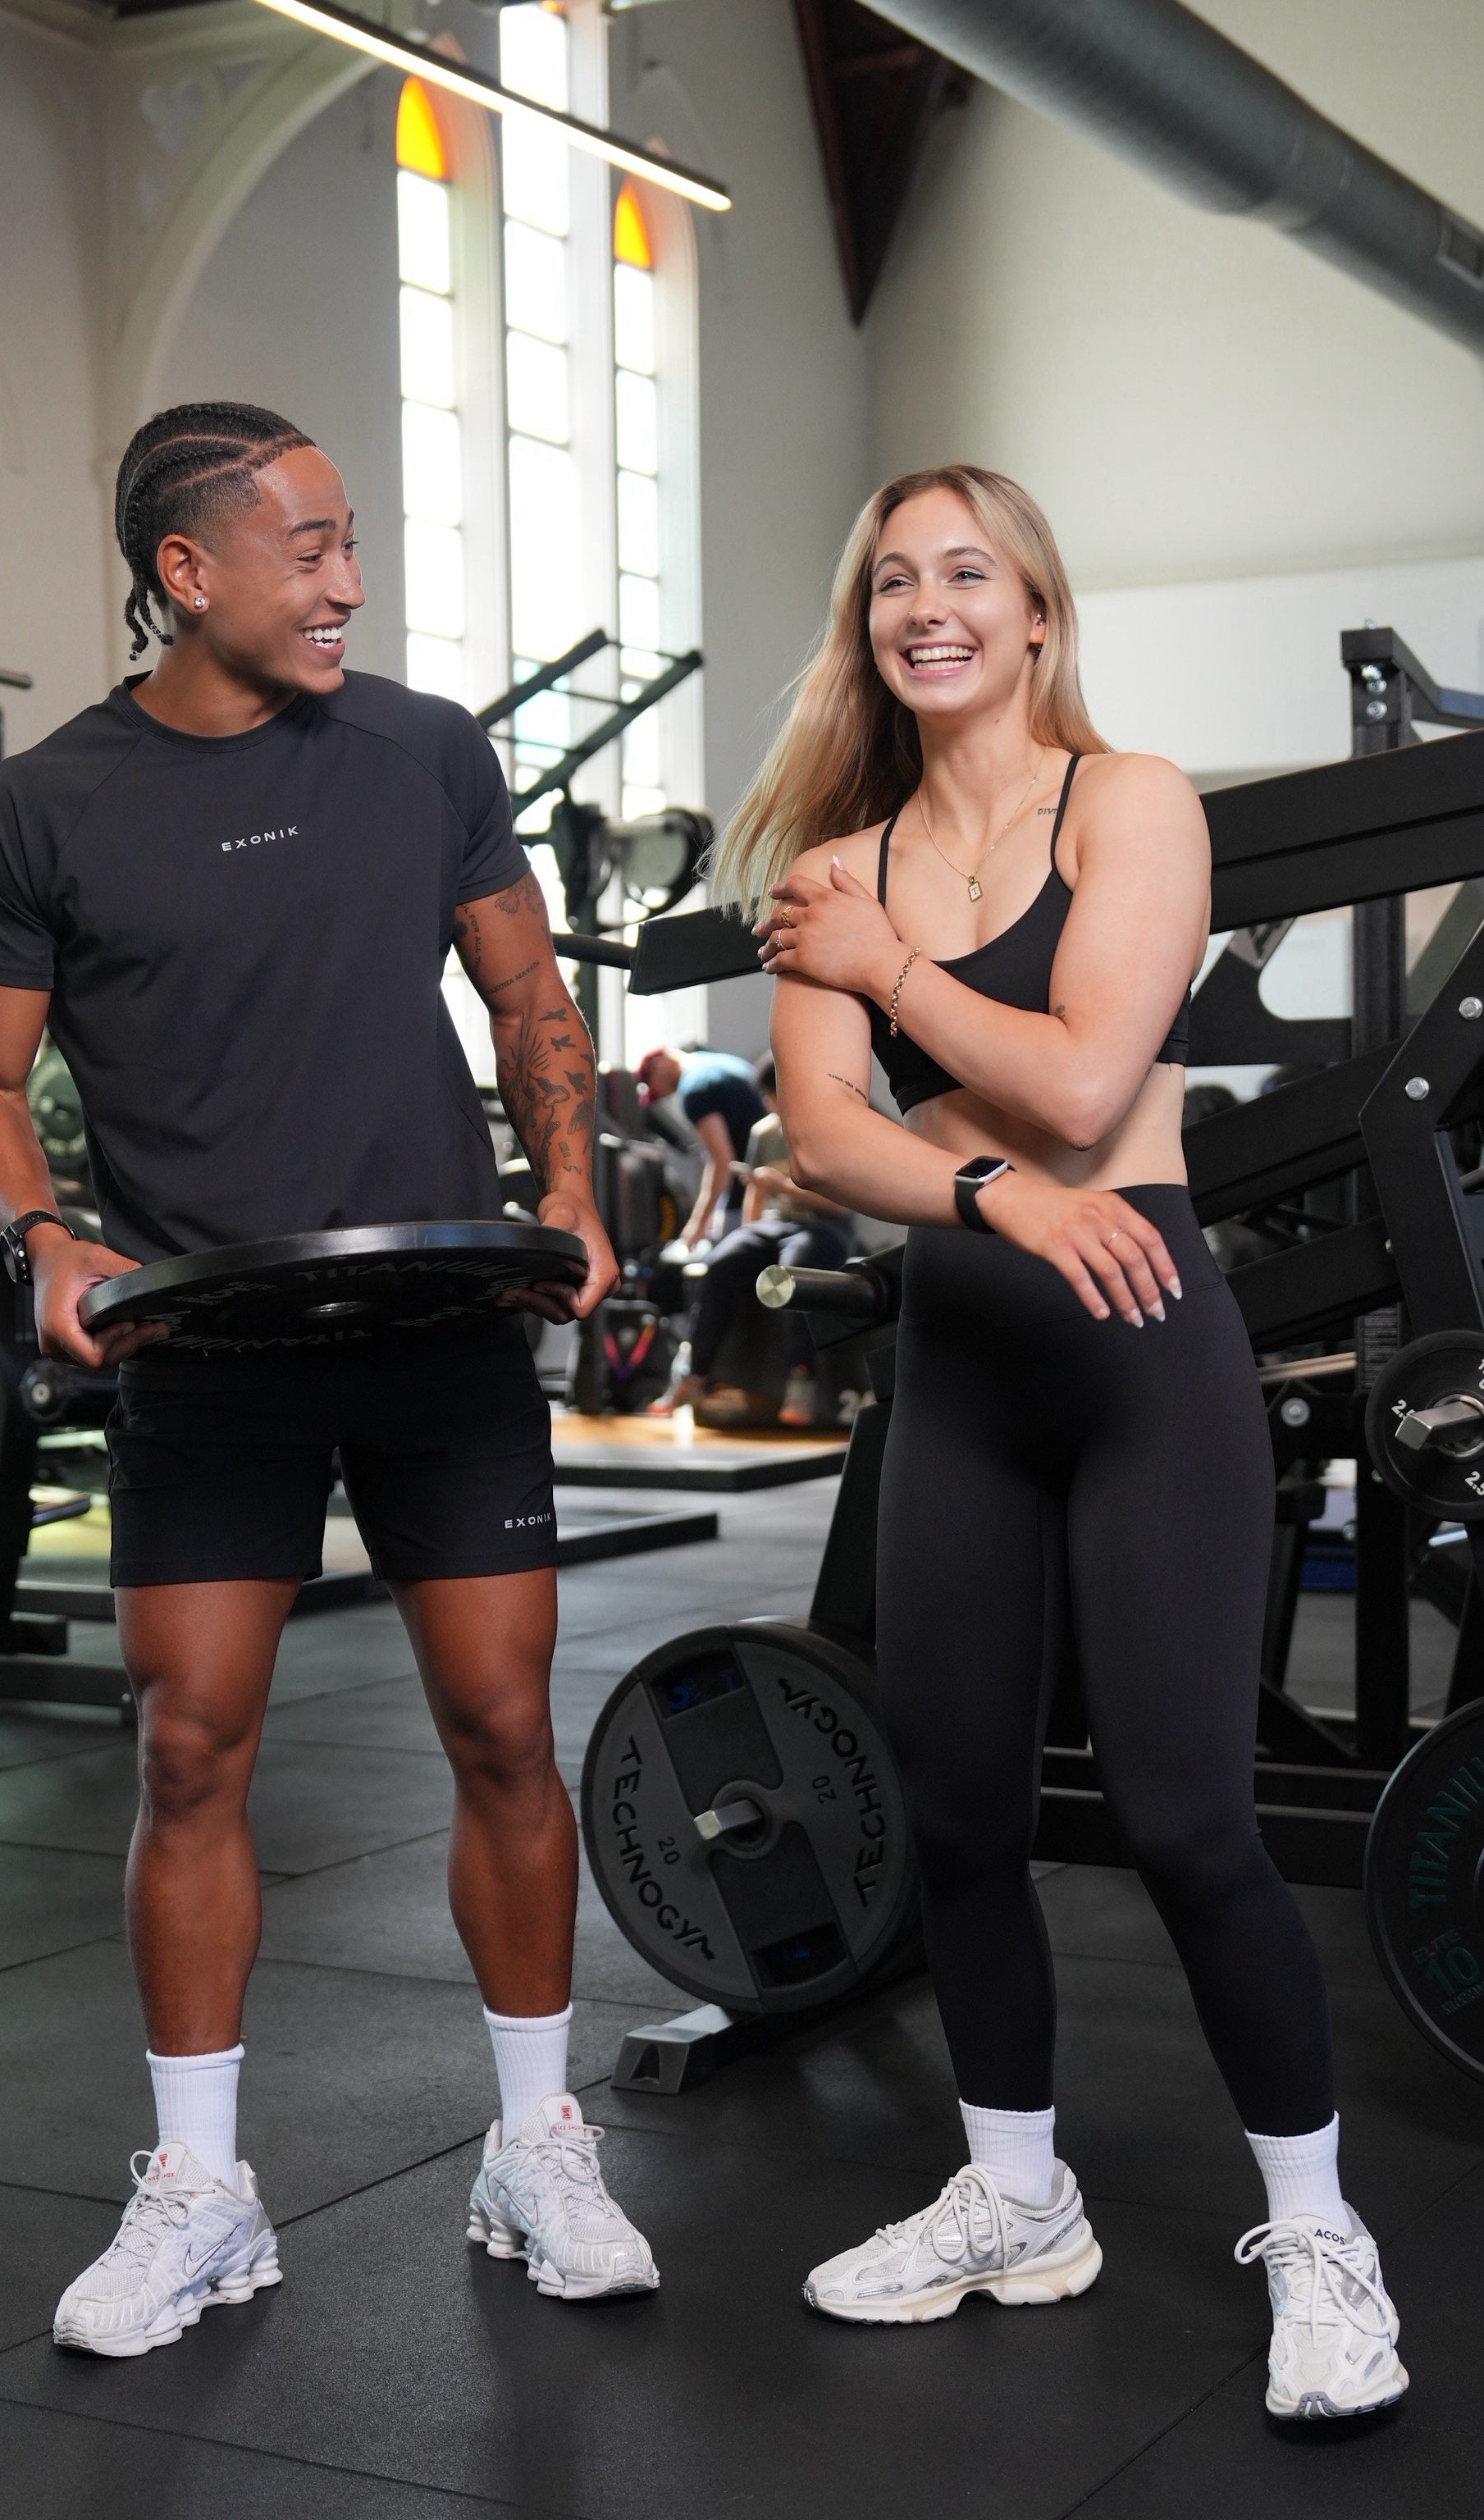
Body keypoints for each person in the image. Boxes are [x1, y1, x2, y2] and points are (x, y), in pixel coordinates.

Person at [0, 402, 658, 2358]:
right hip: (211, 1338)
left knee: (507, 1726)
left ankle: (534, 2143)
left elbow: (526, 991)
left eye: (353, 546)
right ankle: (202, 2187)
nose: (349, 582)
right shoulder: (45, 806)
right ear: (188, 569)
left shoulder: (423, 749)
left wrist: (575, 1182)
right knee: (188, 1747)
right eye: (311, 547)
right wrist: (43, 1238)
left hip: (433, 1323)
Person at [714, 463, 1406, 2422]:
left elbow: (1093, 1069)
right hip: (965, 1369)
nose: (925, 607)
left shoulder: (1130, 799)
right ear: (868, 625)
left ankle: (1319, 2228)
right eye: (890, 582)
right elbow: (830, 1140)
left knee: (1190, 1816)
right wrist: (1001, 1197)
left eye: (966, 573)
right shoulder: (828, 856)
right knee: (953, 1812)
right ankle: (1016, 2191)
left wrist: (892, 980)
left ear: (1032, 610)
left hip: (1142, 1362)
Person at [653, 1054, 854, 1425]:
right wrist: (749, 1235)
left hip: (822, 1227)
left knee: (795, 1270)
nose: (768, 1104)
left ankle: (802, 1379)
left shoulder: (826, 1131)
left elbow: (842, 1205)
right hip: (775, 1226)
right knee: (722, 1262)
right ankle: (696, 1373)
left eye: (772, 1096)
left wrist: (786, 1189)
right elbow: (755, 1197)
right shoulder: (764, 1132)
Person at [635, 1045, 765, 1248]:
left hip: (753, 1191)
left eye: (652, 1085)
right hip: (774, 1178)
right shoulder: (715, 1061)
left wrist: (697, 1224)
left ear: (659, 1062)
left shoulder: (695, 1089)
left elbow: (722, 1161)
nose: (662, 1093)